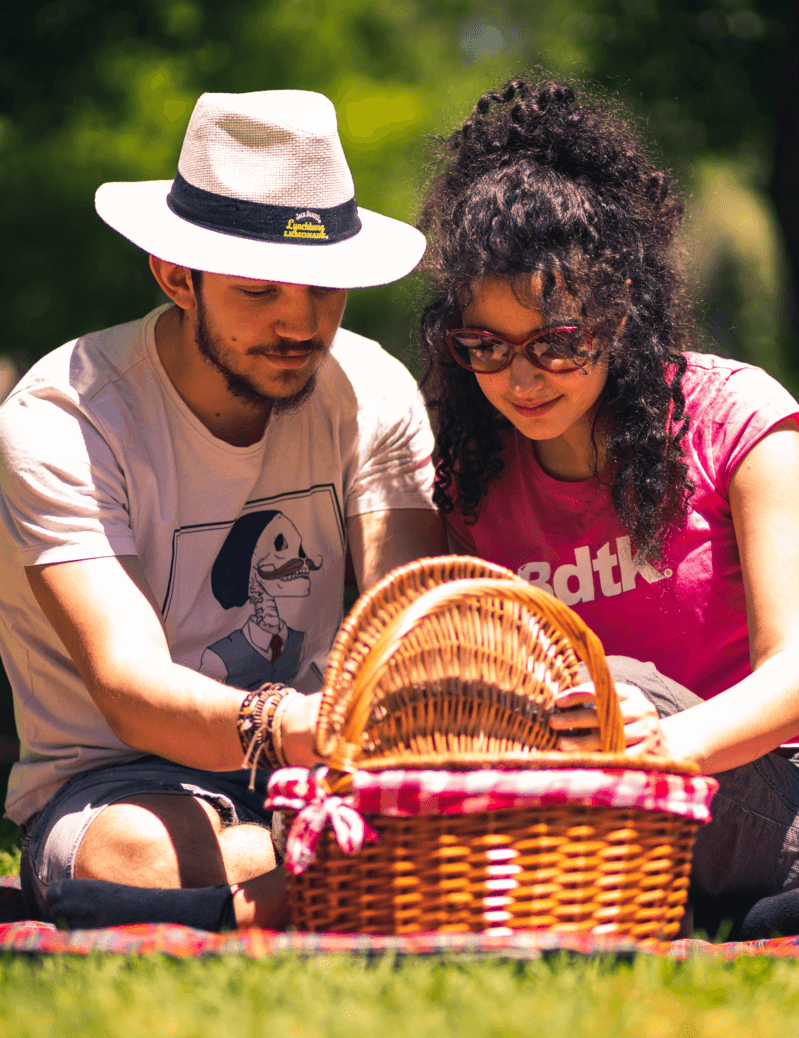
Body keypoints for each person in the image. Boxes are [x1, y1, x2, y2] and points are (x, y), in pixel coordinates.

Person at [0, 89, 445, 929]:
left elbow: (407, 622)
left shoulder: (371, 387)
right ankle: (344, 879)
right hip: (121, 777)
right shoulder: (65, 414)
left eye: (325, 288)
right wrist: (307, 731)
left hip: (323, 771)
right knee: (137, 848)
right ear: (175, 277)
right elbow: (129, 689)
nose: (300, 322)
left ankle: (290, 889)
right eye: (257, 291)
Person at [418, 77, 799, 932]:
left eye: (555, 343)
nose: (518, 380)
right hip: (573, 808)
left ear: (618, 314)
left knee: (610, 679)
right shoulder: (468, 473)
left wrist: (659, 745)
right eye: (483, 346)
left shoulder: (737, 420)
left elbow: (794, 672)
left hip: (753, 796)